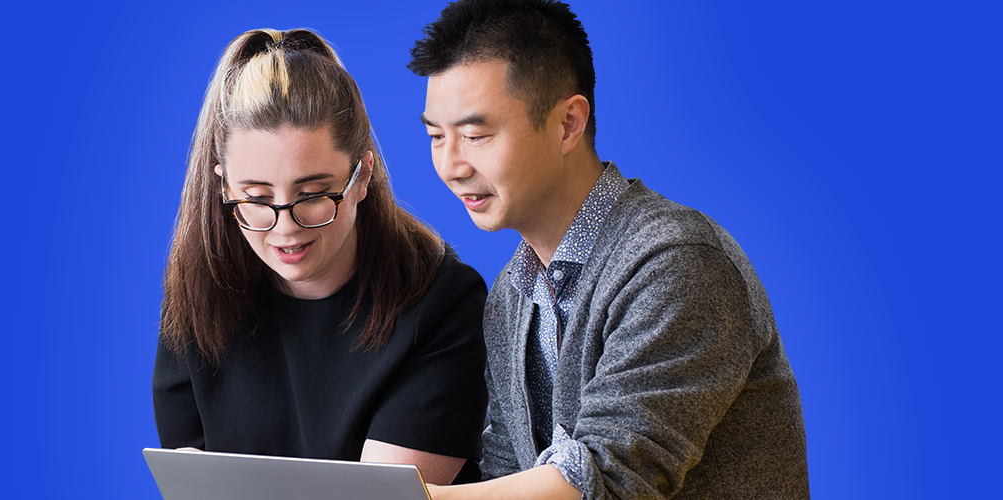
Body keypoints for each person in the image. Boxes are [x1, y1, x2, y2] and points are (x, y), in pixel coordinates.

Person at [405, 1, 810, 498]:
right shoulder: (513, 293)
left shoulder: (676, 263)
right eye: (435, 136)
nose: (450, 165)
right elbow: (506, 476)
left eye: (475, 135)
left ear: (569, 124)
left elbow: (608, 480)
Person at [152, 28, 491, 486]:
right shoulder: (198, 295)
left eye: (312, 194)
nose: (285, 227)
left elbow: (377, 499)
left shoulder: (444, 302)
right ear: (223, 186)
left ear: (362, 175)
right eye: (256, 196)